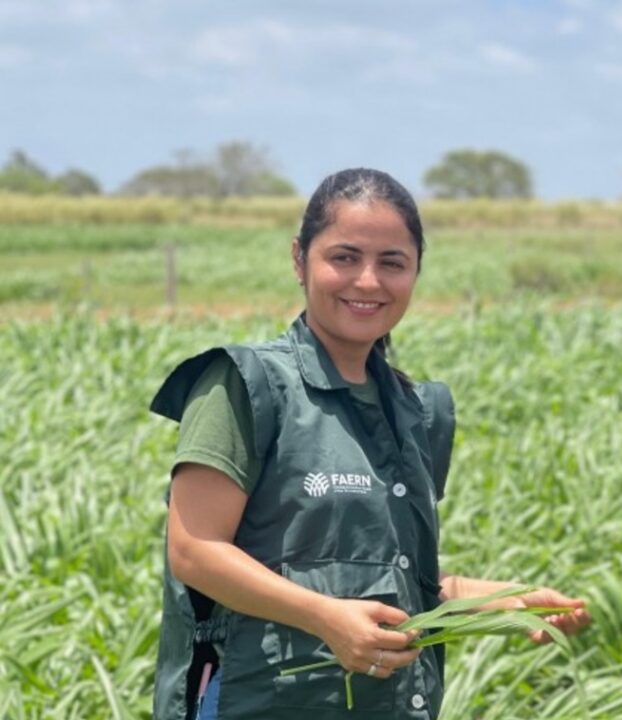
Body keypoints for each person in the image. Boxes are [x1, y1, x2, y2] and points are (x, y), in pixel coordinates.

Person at [150, 168, 590, 719]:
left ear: (415, 273)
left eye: (392, 263)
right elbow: (194, 550)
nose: (367, 281)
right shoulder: (244, 383)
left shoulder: (416, 410)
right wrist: (323, 617)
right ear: (298, 259)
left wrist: (505, 603)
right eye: (344, 257)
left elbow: (401, 588)